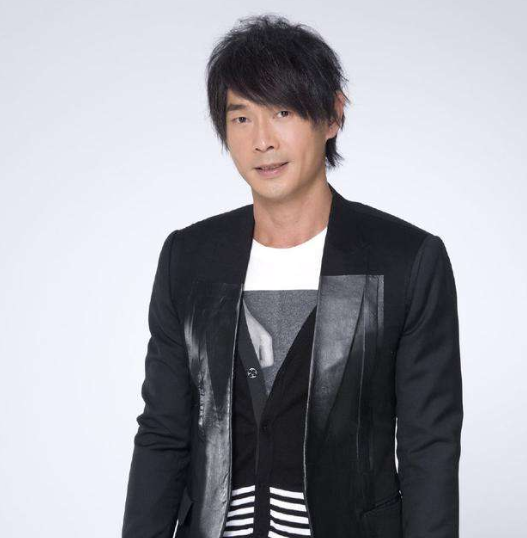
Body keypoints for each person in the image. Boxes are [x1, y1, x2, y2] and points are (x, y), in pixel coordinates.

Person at [122, 13, 463, 538]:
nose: (262, 140)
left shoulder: (405, 260)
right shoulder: (188, 258)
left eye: (282, 112)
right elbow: (162, 434)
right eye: (241, 118)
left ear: (332, 115)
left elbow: (429, 448)